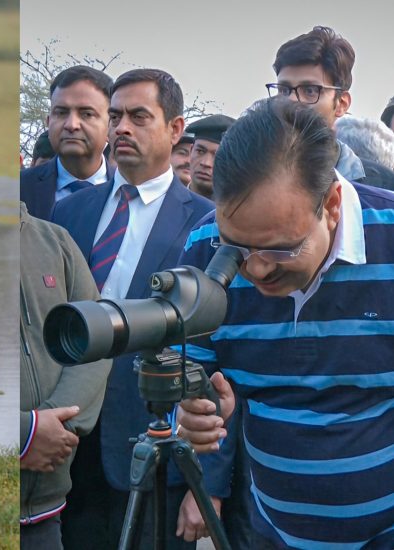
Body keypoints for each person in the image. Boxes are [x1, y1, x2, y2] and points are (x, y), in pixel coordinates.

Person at [176, 98, 394, 549]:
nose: (255, 270)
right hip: (268, 530)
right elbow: (187, 370)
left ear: (332, 204)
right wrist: (192, 410)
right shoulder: (202, 247)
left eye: (280, 249)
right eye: (236, 247)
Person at [52, 68, 214, 549]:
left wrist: (207, 486)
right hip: (68, 436)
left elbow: (216, 355)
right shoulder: (71, 210)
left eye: (139, 116)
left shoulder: (207, 224)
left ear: (176, 129)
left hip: (154, 445)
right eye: (116, 116)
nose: (122, 128)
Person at [20, 202, 112, 549]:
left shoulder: (55, 240)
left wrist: (52, 428)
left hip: (46, 513)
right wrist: (23, 434)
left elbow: (97, 342)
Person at [267, 25, 394, 191]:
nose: (291, 100)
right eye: (284, 90)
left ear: (341, 104)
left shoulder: (382, 186)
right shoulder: (245, 176)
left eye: (310, 91)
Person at [21, 66, 114, 220]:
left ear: (110, 125)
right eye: (61, 113)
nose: (71, 125)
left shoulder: (130, 191)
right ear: (48, 122)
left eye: (87, 114)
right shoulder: (18, 189)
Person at [185, 115, 236, 200]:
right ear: (191, 151)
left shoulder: (241, 212)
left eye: (217, 156)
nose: (206, 163)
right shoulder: (166, 201)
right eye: (200, 151)